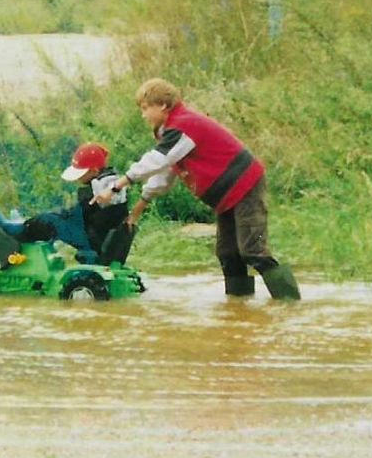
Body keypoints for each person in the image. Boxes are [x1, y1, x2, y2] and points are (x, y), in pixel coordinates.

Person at [92, 78, 300, 300]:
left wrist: (115, 187)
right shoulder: (171, 132)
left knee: (253, 250)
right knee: (227, 253)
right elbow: (163, 174)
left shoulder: (183, 124)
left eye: (145, 109)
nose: (143, 115)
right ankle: (239, 307)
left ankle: (289, 305)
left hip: (245, 184)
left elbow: (156, 161)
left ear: (162, 105)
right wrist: (136, 210)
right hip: (227, 195)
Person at [0, 142, 132, 265]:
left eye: (80, 174)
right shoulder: (115, 184)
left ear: (93, 171)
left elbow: (73, 215)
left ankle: (18, 230)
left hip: (92, 239)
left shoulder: (100, 189)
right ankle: (25, 223)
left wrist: (53, 217)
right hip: (100, 236)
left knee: (49, 220)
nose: (77, 179)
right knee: (57, 216)